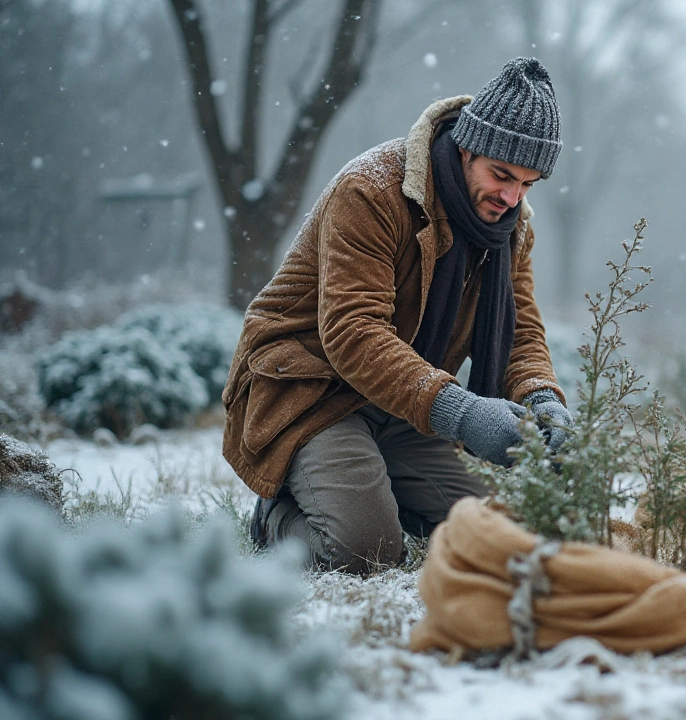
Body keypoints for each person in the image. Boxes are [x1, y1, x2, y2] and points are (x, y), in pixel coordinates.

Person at [221, 57, 573, 573]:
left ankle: (377, 486)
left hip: (403, 402)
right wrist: (465, 413)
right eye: (501, 175)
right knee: (365, 551)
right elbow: (352, 333)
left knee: (506, 531)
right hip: (312, 389)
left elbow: (520, 334)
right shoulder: (371, 191)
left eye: (528, 183)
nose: (511, 198)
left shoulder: (511, 230)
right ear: (466, 148)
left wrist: (544, 400)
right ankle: (276, 517)